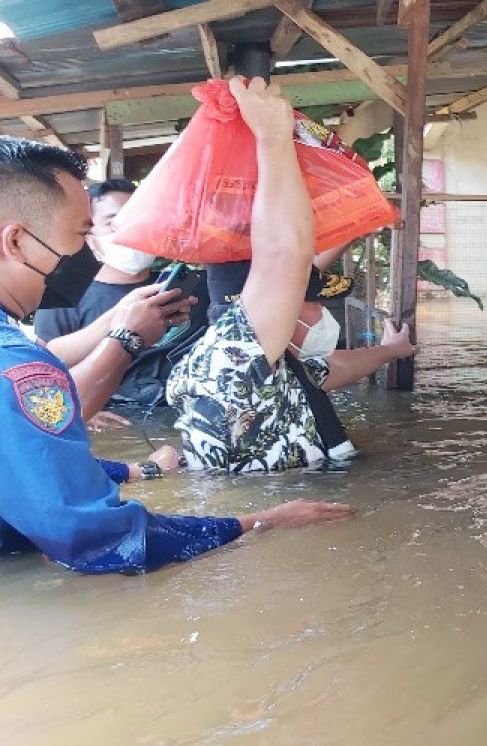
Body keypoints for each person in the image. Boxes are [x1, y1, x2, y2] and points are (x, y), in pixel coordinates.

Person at [0, 125, 353, 574]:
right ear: (15, 241)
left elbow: (30, 468)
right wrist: (260, 522)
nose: (89, 250)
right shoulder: (18, 367)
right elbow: (104, 542)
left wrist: (137, 472)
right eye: (81, 232)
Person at [166, 78, 415, 474]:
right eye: (309, 300)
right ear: (272, 303)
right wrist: (272, 137)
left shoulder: (276, 366)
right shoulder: (233, 363)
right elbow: (285, 254)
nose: (320, 317)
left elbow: (334, 369)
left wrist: (392, 351)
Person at [34, 179, 211, 409]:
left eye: (138, 219)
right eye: (113, 222)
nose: (131, 230)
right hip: (116, 425)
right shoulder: (63, 297)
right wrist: (83, 410)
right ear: (89, 235)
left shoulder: (190, 287)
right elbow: (43, 370)